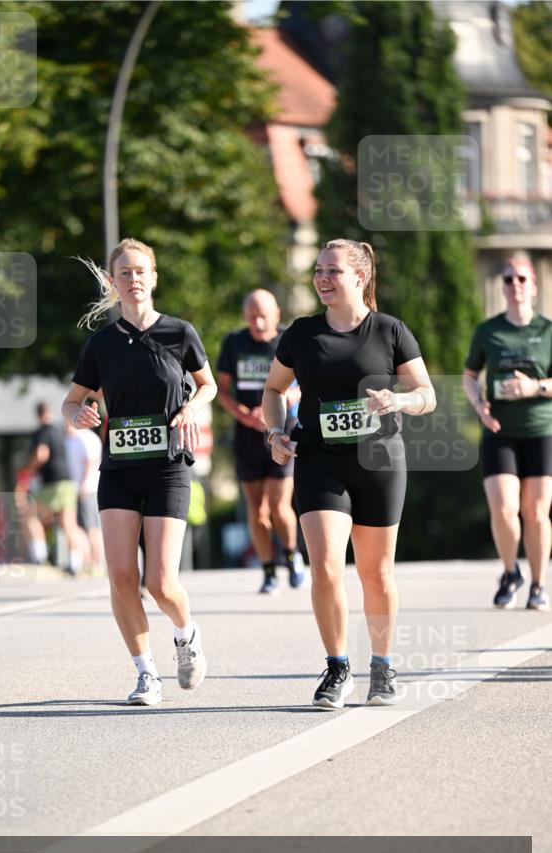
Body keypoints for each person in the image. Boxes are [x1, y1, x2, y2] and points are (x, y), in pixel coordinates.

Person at [263, 239, 436, 709]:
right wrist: (275, 432)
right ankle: (338, 667)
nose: (321, 278)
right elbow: (274, 391)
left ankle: (382, 666)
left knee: (376, 573)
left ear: (359, 277)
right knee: (324, 565)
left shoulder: (389, 331)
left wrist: (399, 400)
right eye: (318, 270)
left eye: (332, 271)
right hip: (319, 460)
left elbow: (426, 394)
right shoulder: (301, 334)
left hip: (379, 462)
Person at [62, 238, 217, 706]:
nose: (133, 280)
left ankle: (186, 635)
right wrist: (81, 416)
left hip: (168, 467)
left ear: (154, 278)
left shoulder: (180, 333)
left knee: (161, 583)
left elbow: (207, 386)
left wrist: (191, 406)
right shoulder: (102, 344)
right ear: (114, 282)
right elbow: (72, 402)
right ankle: (146, 673)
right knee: (122, 577)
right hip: (119, 470)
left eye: (141, 271)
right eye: (124, 273)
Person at [463, 257, 552, 610]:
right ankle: (510, 570)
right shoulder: (488, 331)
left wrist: (535, 388)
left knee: (537, 511)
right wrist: (478, 404)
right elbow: (470, 375)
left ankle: (538, 583)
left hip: (541, 430)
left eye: (521, 278)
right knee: (503, 509)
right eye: (508, 278)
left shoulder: (548, 330)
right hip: (500, 431)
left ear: (533, 286)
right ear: (502, 287)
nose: (514, 284)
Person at [217, 289, 306, 594]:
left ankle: (292, 556)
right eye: (251, 316)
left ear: (277, 314)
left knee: (280, 506)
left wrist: (289, 396)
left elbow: (307, 382)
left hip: (283, 430)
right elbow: (221, 390)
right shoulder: (234, 342)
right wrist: (244, 415)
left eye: (263, 315)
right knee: (256, 511)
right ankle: (268, 571)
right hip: (247, 435)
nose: (257, 321)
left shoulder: (289, 339)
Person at [28, 402, 85, 575]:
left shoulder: (42, 432)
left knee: (32, 516)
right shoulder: (60, 432)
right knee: (68, 524)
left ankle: (39, 555)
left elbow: (41, 454)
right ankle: (75, 563)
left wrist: (28, 470)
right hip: (67, 482)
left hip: (51, 483)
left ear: (38, 415)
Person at [65, 421, 104, 574]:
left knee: (91, 526)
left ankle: (96, 562)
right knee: (80, 526)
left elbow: (90, 462)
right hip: (77, 488)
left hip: (87, 488)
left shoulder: (87, 438)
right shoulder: (73, 439)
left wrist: (84, 484)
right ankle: (88, 561)